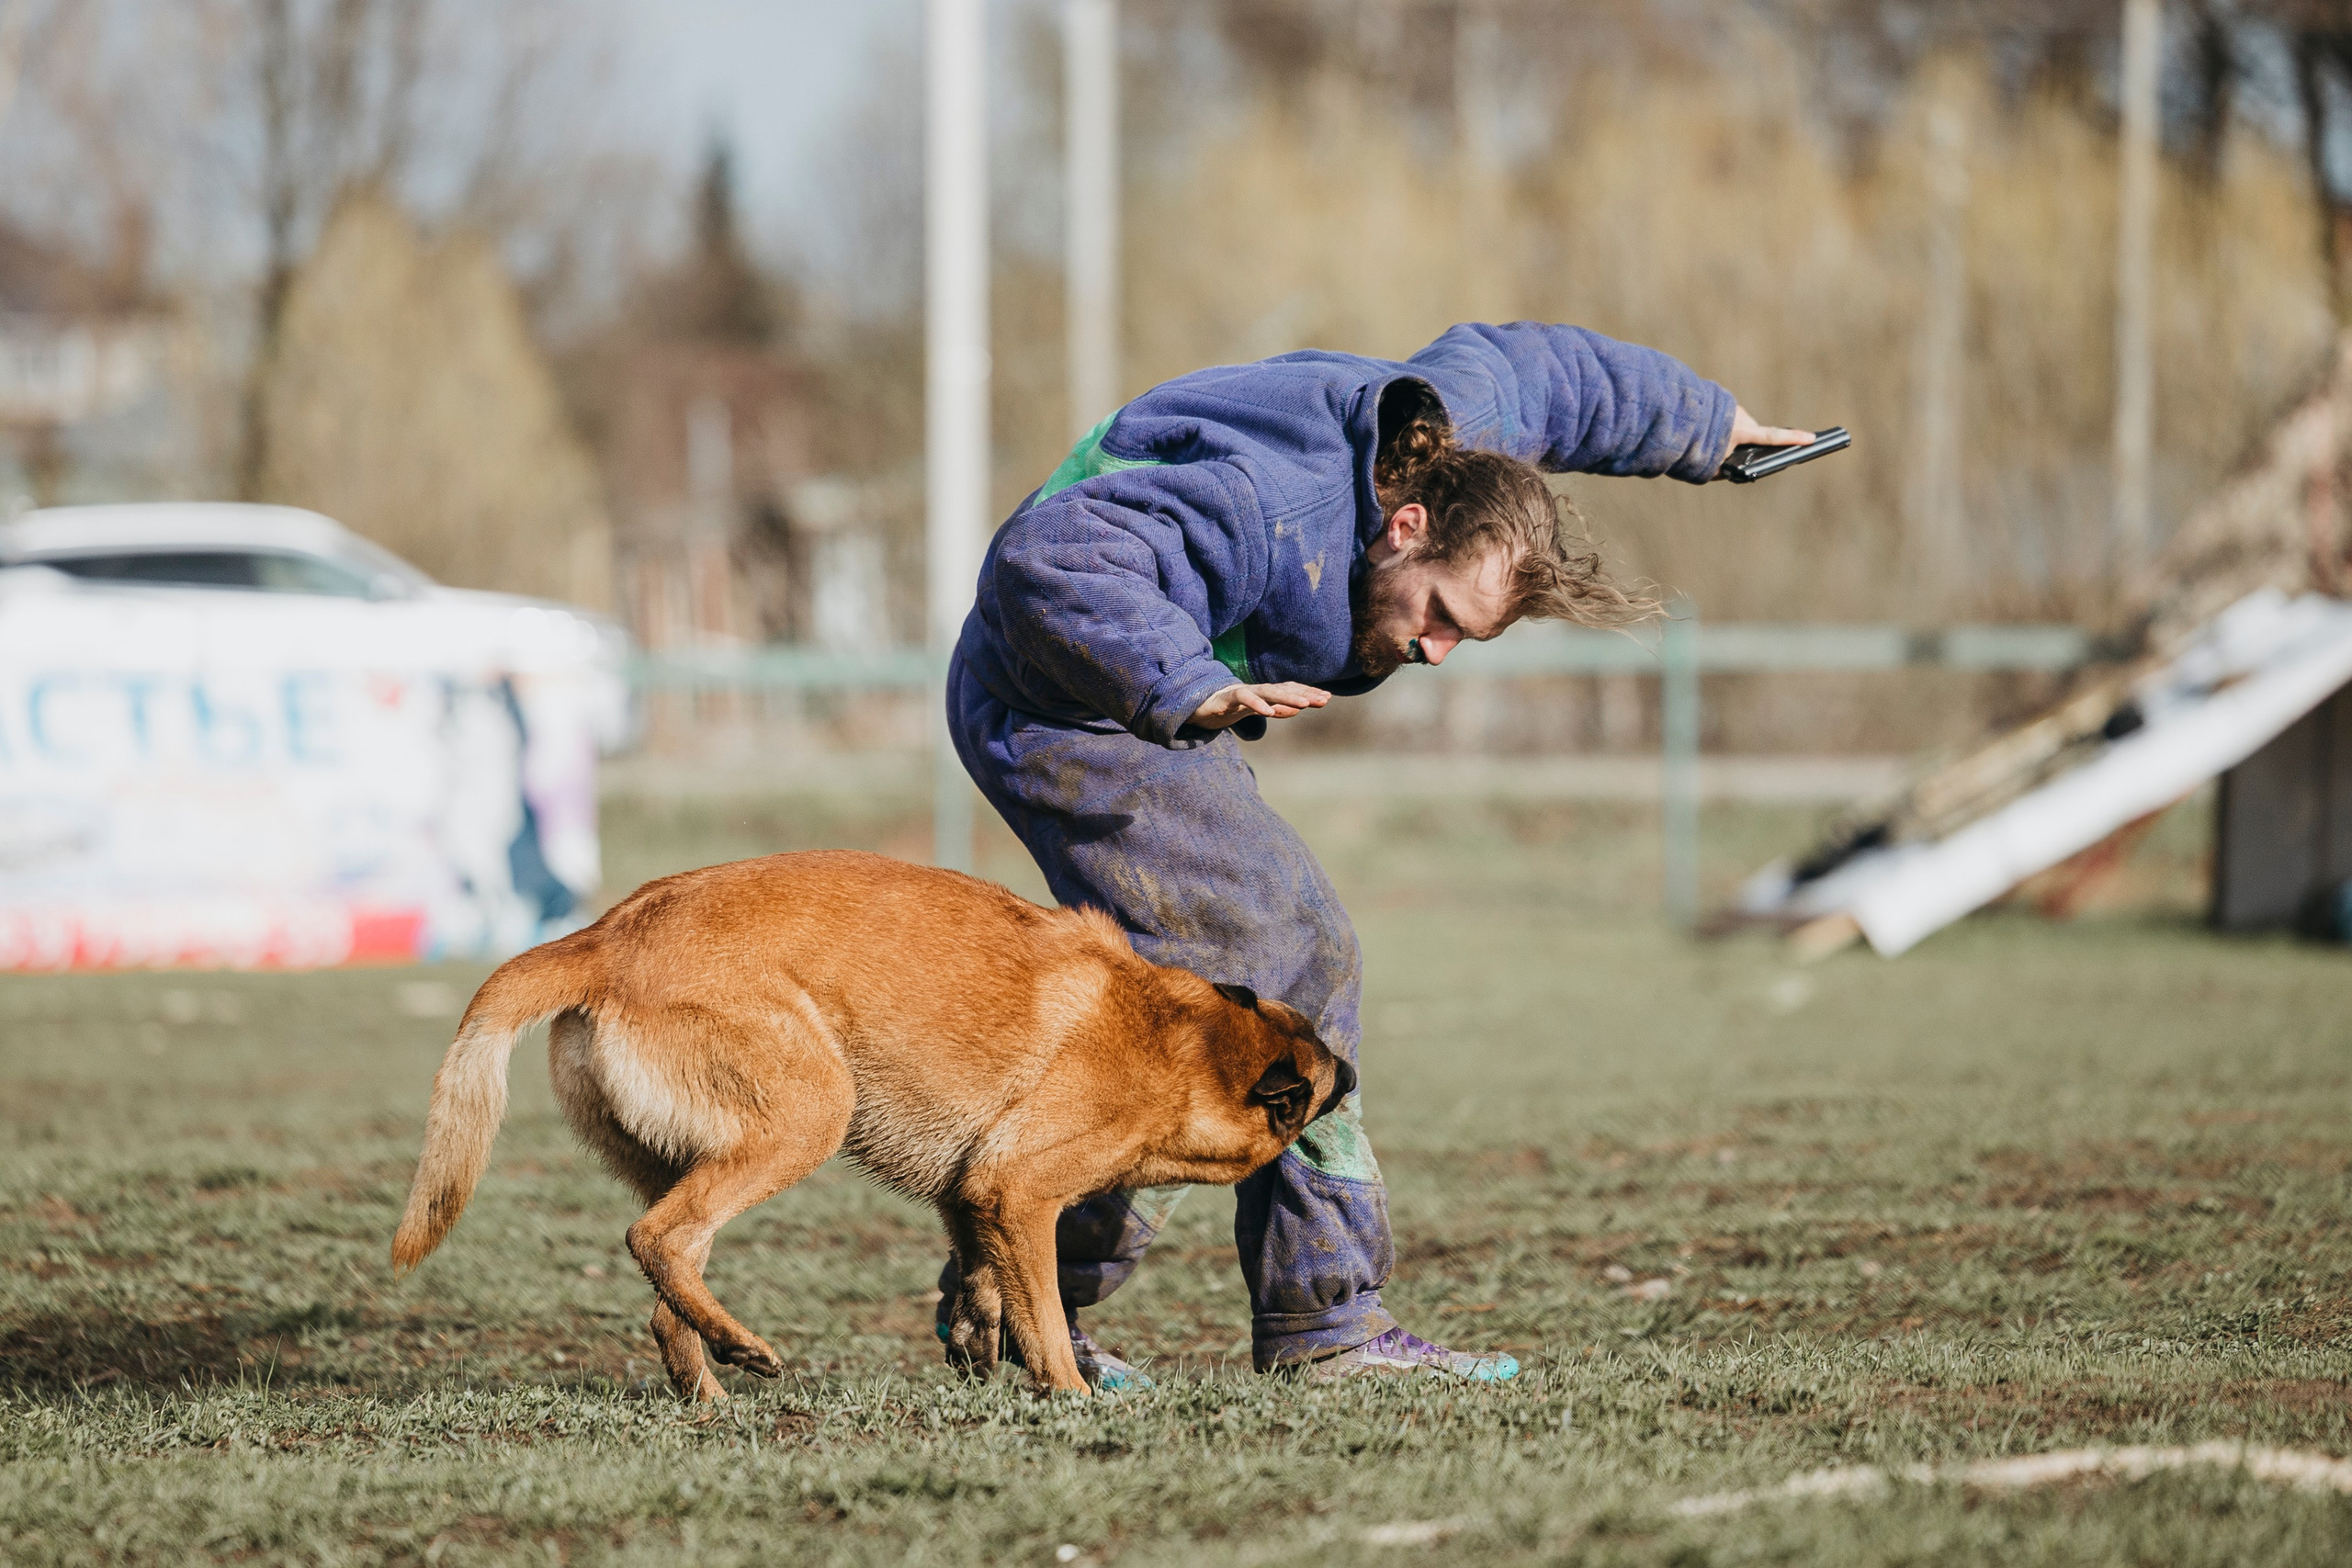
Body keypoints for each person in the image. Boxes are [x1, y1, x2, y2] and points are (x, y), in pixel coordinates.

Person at [940, 321, 1812, 1386]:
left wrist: (1710, 429)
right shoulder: (1268, 508)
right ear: (1404, 525)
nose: (1435, 652)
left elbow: (1556, 375)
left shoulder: (1459, 439)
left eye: (1466, 640)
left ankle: (1026, 1295)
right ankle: (1307, 1325)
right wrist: (1186, 681)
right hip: (1060, 689)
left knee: (1207, 988)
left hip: (1161, 686)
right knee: (1295, 959)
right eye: (1438, 615)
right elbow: (1049, 559)